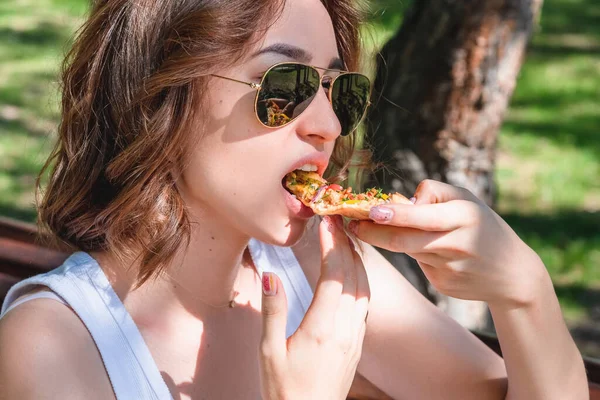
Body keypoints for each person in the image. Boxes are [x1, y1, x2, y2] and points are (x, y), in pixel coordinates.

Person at [0, 0, 588, 399]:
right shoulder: (51, 344)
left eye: (339, 91)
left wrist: (524, 293)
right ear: (162, 95)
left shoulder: (312, 266)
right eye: (285, 85)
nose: (329, 124)